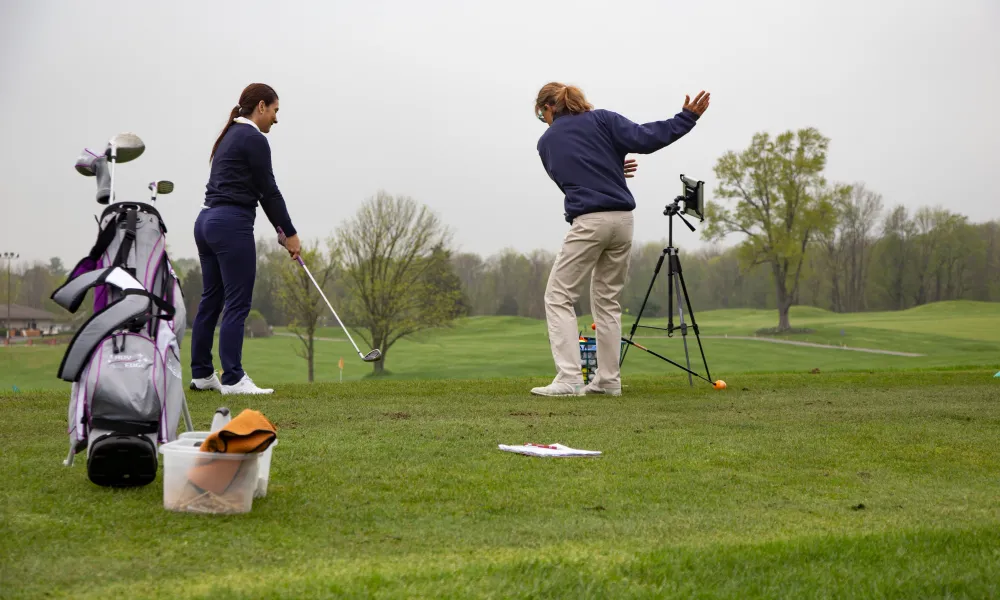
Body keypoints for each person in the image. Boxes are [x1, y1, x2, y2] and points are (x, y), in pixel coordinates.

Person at [530, 82, 711, 397]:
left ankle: (570, 379)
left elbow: (570, 181)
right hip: (623, 221)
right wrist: (686, 118)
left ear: (548, 109)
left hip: (590, 222)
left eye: (542, 116)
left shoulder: (547, 142)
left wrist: (608, 168)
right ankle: (609, 380)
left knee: (558, 297)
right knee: (607, 301)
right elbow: (645, 138)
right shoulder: (603, 119)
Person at [188, 83, 301, 395]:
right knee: (238, 301)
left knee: (212, 299)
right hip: (230, 224)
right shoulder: (253, 137)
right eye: (275, 111)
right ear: (261, 106)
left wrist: (280, 230)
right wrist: (290, 233)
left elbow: (261, 194)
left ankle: (201, 374)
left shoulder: (229, 135)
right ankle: (234, 377)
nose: (276, 119)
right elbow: (270, 190)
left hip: (205, 222)